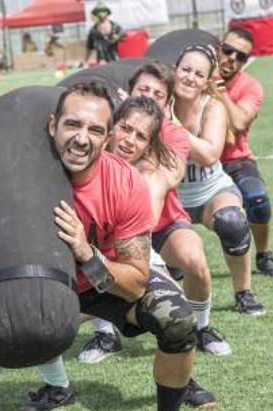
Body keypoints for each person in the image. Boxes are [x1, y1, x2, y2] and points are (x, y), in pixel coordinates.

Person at [0, 82, 213, 411]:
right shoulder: (16, 171)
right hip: (37, 285)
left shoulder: (124, 183)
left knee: (177, 317)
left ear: (109, 134)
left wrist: (87, 253)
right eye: (72, 125)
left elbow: (134, 282)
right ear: (51, 125)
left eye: (96, 130)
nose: (81, 138)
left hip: (100, 286)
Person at [22, 94, 219, 411]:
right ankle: (60, 384)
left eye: (140, 136)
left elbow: (135, 267)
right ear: (112, 130)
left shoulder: (145, 175)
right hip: (70, 274)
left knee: (171, 312)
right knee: (34, 317)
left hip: (126, 260)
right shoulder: (62, 161)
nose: (129, 140)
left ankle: (182, 381)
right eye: (125, 129)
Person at [79, 62, 231, 366]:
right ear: (127, 94)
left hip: (158, 221)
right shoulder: (106, 128)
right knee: (93, 259)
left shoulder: (172, 134)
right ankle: (104, 335)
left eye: (158, 94)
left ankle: (201, 327)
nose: (149, 97)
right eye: (143, 90)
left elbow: (162, 182)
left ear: (167, 102)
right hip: (109, 229)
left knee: (194, 260)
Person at [172, 45, 266, 315]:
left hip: (210, 191)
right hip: (171, 196)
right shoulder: (158, 100)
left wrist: (170, 125)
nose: (190, 77)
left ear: (206, 82)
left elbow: (209, 155)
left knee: (232, 222)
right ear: (174, 71)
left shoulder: (212, 107)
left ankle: (244, 292)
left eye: (199, 74)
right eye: (185, 70)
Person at [213, 28, 273, 278]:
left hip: (236, 160)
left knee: (257, 199)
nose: (232, 58)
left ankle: (264, 256)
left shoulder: (251, 87)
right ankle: (171, 261)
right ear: (217, 47)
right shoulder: (195, 75)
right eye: (228, 50)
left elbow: (237, 124)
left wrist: (220, 90)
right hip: (198, 160)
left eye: (241, 56)